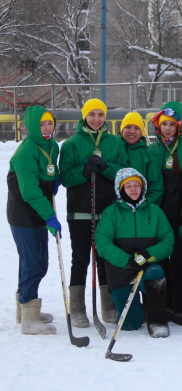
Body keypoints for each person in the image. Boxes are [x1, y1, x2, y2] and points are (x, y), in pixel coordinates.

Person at [59, 98, 127, 326]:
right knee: (80, 258)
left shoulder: (115, 143)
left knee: (104, 257)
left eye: (100, 114)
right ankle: (77, 308)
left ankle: (108, 305)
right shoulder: (71, 144)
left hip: (107, 212)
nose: (96, 119)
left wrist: (106, 168)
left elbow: (124, 173)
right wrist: (83, 170)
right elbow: (66, 177)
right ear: (84, 116)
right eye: (92, 114)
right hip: (80, 212)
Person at [94, 168, 174, 337]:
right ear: (121, 189)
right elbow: (103, 244)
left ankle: (158, 321)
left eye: (136, 185)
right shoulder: (111, 213)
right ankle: (140, 311)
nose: (133, 189)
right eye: (128, 186)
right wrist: (127, 261)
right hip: (121, 269)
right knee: (130, 324)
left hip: (147, 265)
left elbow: (167, 240)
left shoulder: (154, 211)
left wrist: (148, 254)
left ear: (142, 187)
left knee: (156, 272)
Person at [8, 106, 60, 334]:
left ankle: (25, 308)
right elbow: (30, 192)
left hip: (38, 212)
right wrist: (49, 215)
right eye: (41, 124)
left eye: (50, 123)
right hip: (23, 214)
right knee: (33, 263)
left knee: (39, 262)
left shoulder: (52, 146)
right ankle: (29, 320)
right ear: (31, 127)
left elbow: (47, 173)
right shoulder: (25, 151)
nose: (47, 128)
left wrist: (55, 179)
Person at [148, 102, 182, 318]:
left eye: (172, 124)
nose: (167, 128)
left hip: (179, 214)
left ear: (179, 126)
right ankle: (161, 305)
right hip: (158, 216)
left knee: (179, 261)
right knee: (158, 260)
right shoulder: (152, 150)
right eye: (164, 124)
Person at [118, 112, 163, 206]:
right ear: (122, 130)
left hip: (140, 208)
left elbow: (156, 187)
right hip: (115, 208)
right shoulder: (114, 149)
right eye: (128, 127)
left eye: (136, 128)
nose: (132, 131)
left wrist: (143, 204)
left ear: (141, 132)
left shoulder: (148, 155)